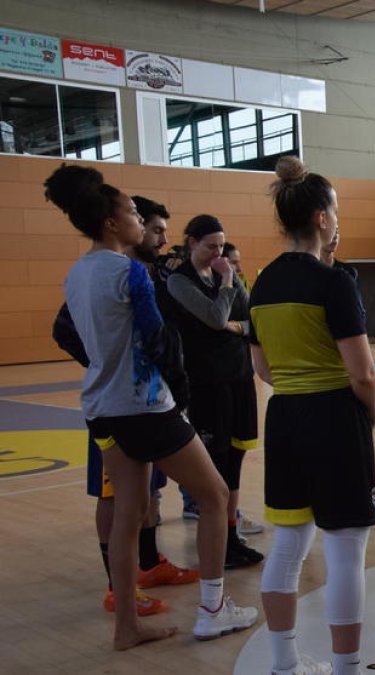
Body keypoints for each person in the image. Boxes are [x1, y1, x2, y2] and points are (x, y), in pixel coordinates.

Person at [48, 164, 257, 650]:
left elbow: (81, 336)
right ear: (109, 223)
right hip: (145, 407)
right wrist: (180, 399)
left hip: (102, 407)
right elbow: (158, 340)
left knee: (129, 511)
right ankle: (213, 609)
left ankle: (126, 625)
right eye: (132, 212)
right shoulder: (130, 272)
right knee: (215, 495)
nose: (140, 220)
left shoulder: (77, 274)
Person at [250, 156, 375, 675]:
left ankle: (284, 664)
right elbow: (364, 375)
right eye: (338, 211)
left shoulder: (260, 284)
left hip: (284, 420)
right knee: (346, 549)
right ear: (323, 220)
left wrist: (300, 390)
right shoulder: (334, 284)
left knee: (287, 544)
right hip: (334, 419)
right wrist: (370, 412)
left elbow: (262, 367)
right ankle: (347, 668)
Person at [52, 195, 198, 618]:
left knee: (144, 499)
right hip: (125, 403)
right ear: (119, 226)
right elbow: (65, 328)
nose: (161, 237)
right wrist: (102, 359)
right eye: (152, 228)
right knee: (115, 499)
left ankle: (149, 566)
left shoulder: (147, 274)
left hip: (138, 401)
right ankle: (120, 588)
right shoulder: (111, 272)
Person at [163, 214, 264, 569]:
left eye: (222, 245)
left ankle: (232, 535)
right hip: (206, 383)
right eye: (211, 246)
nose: (218, 252)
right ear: (191, 242)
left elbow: (257, 321)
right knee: (216, 462)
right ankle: (218, 544)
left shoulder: (227, 277)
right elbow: (213, 318)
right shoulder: (179, 281)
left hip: (238, 377)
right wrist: (226, 281)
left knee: (235, 458)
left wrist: (236, 323)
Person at [321, 228, 375, 517]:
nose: (336, 235)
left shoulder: (346, 273)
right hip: (323, 369)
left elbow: (355, 317)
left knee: (361, 437)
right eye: (332, 230)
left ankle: (368, 493)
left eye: (340, 231)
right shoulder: (309, 277)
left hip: (349, 358)